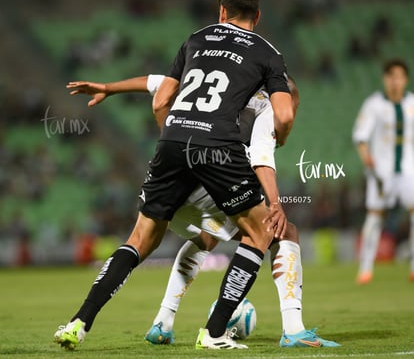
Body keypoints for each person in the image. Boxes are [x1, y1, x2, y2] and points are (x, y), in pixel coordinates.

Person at [54, 0, 295, 351]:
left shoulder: (196, 40)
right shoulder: (267, 53)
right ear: (258, 16)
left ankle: (78, 322)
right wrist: (283, 132)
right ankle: (214, 332)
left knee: (139, 240)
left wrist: (174, 138)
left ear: (221, 12)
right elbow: (283, 112)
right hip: (217, 145)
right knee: (261, 231)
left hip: (172, 139)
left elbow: (161, 98)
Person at [65, 74, 339, 348]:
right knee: (278, 230)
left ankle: (134, 321)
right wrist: (275, 203)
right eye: (293, 107)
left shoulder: (213, 77)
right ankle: (289, 328)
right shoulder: (265, 105)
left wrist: (109, 88)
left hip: (171, 167)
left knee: (172, 239)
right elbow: (261, 158)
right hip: (215, 174)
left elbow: (159, 90)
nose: (291, 116)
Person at [353, 59, 414, 285]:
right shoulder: (374, 104)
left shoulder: (412, 104)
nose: (395, 81)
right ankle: (365, 268)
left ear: (405, 79)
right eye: (391, 76)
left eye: (399, 76)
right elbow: (361, 136)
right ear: (385, 79)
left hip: (408, 170)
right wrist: (367, 159)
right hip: (382, 171)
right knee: (374, 218)